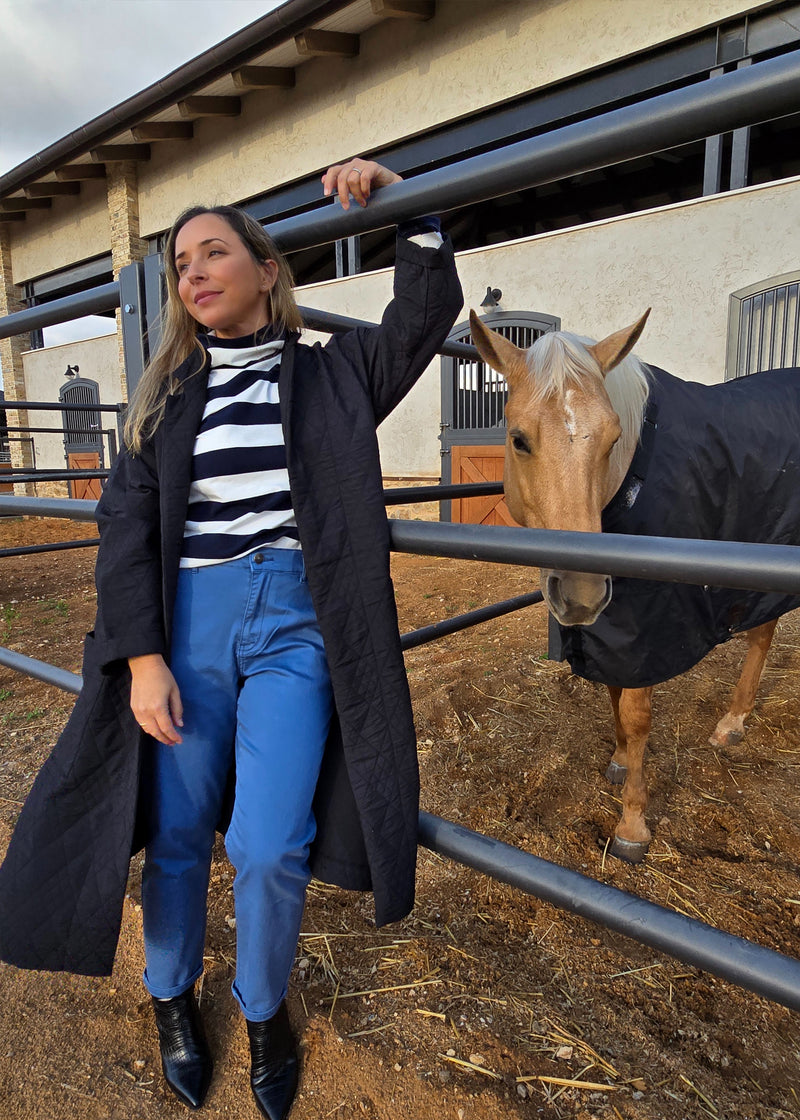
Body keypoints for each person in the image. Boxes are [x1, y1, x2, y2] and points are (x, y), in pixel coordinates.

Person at [0, 158, 463, 1118]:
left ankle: (262, 1008)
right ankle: (171, 997)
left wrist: (403, 201)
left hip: (300, 628)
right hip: (190, 629)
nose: (194, 272)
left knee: (265, 843)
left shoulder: (338, 376)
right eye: (179, 263)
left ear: (265, 268)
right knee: (174, 834)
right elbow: (125, 533)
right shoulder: (165, 397)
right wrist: (142, 659)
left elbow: (420, 318)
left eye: (216, 251)